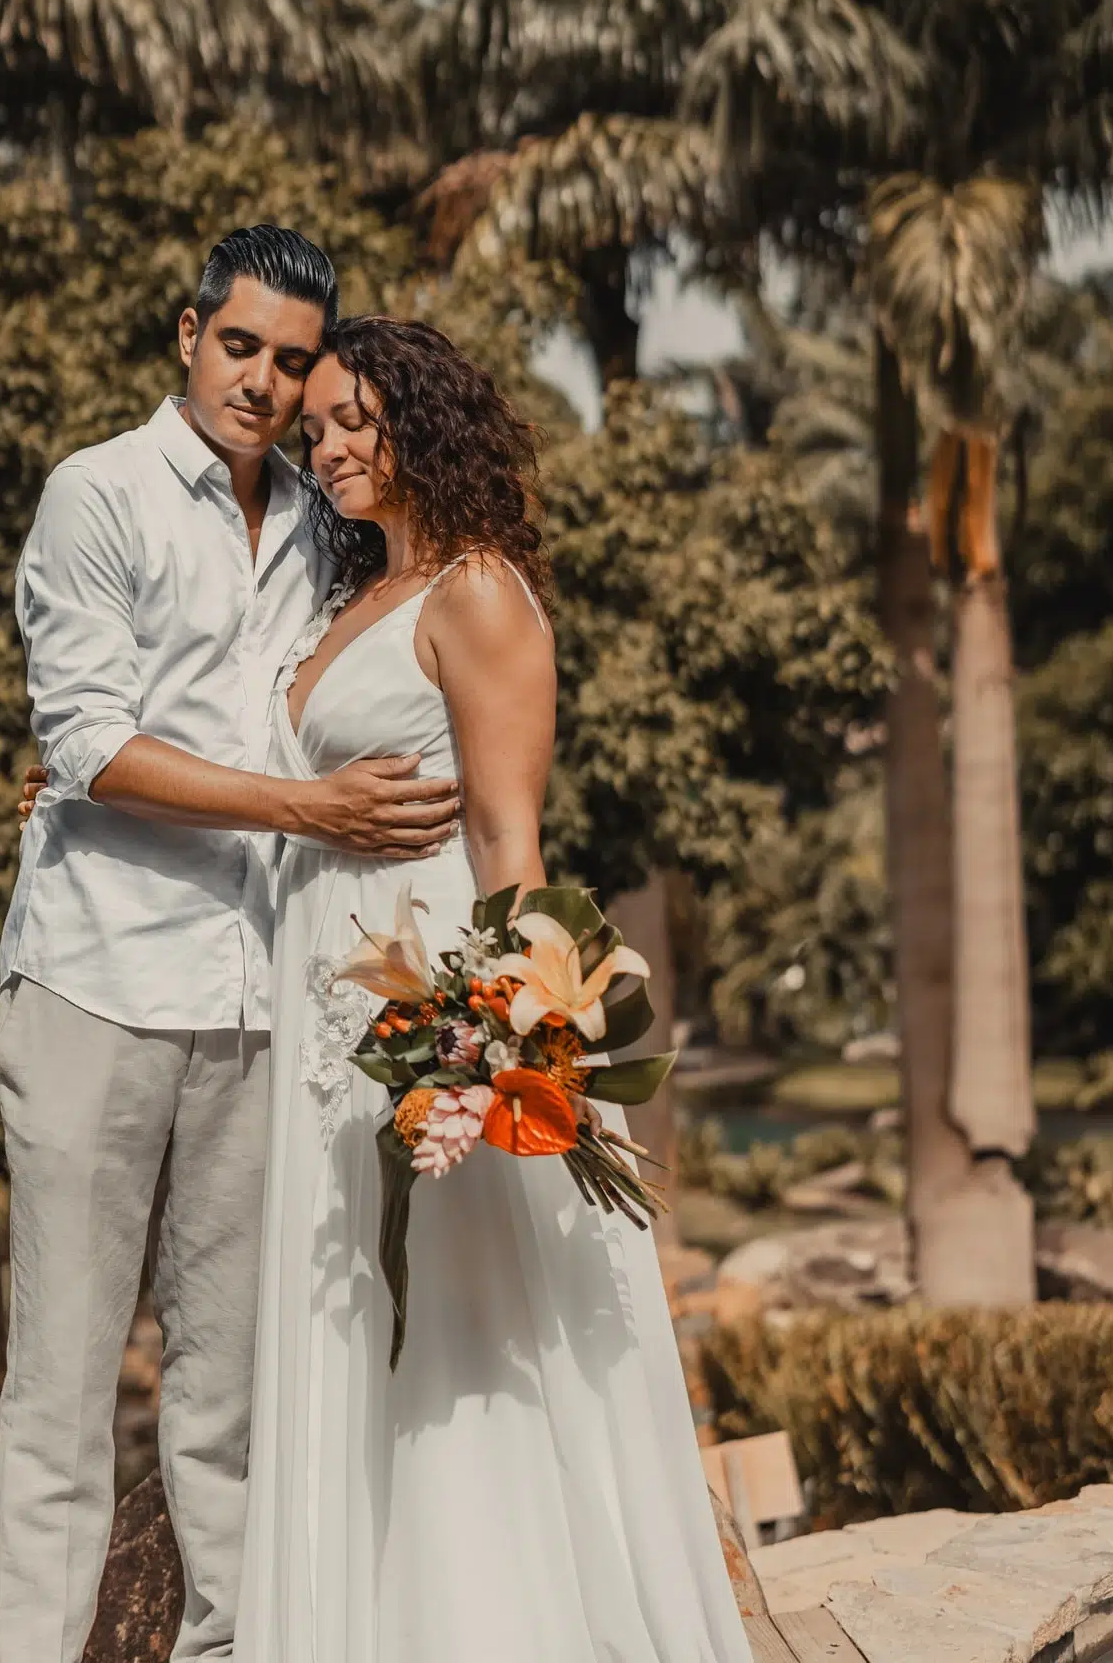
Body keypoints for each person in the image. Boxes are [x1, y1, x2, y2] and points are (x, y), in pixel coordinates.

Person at [234, 316, 752, 1663]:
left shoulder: (477, 592)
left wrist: (497, 1043)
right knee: (363, 1330)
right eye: (317, 429)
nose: (331, 445)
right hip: (327, 1028)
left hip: (434, 1025)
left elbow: (510, 842)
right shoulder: (346, 598)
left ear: (425, 420)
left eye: (358, 418)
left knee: (459, 1346)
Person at [0, 230, 462, 1663]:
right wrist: (303, 806)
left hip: (267, 999)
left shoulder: (328, 520)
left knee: (233, 1399)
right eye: (239, 346)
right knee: (63, 1392)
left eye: (291, 359)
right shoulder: (99, 495)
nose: (263, 381)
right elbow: (82, 740)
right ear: (188, 335)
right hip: (97, 985)